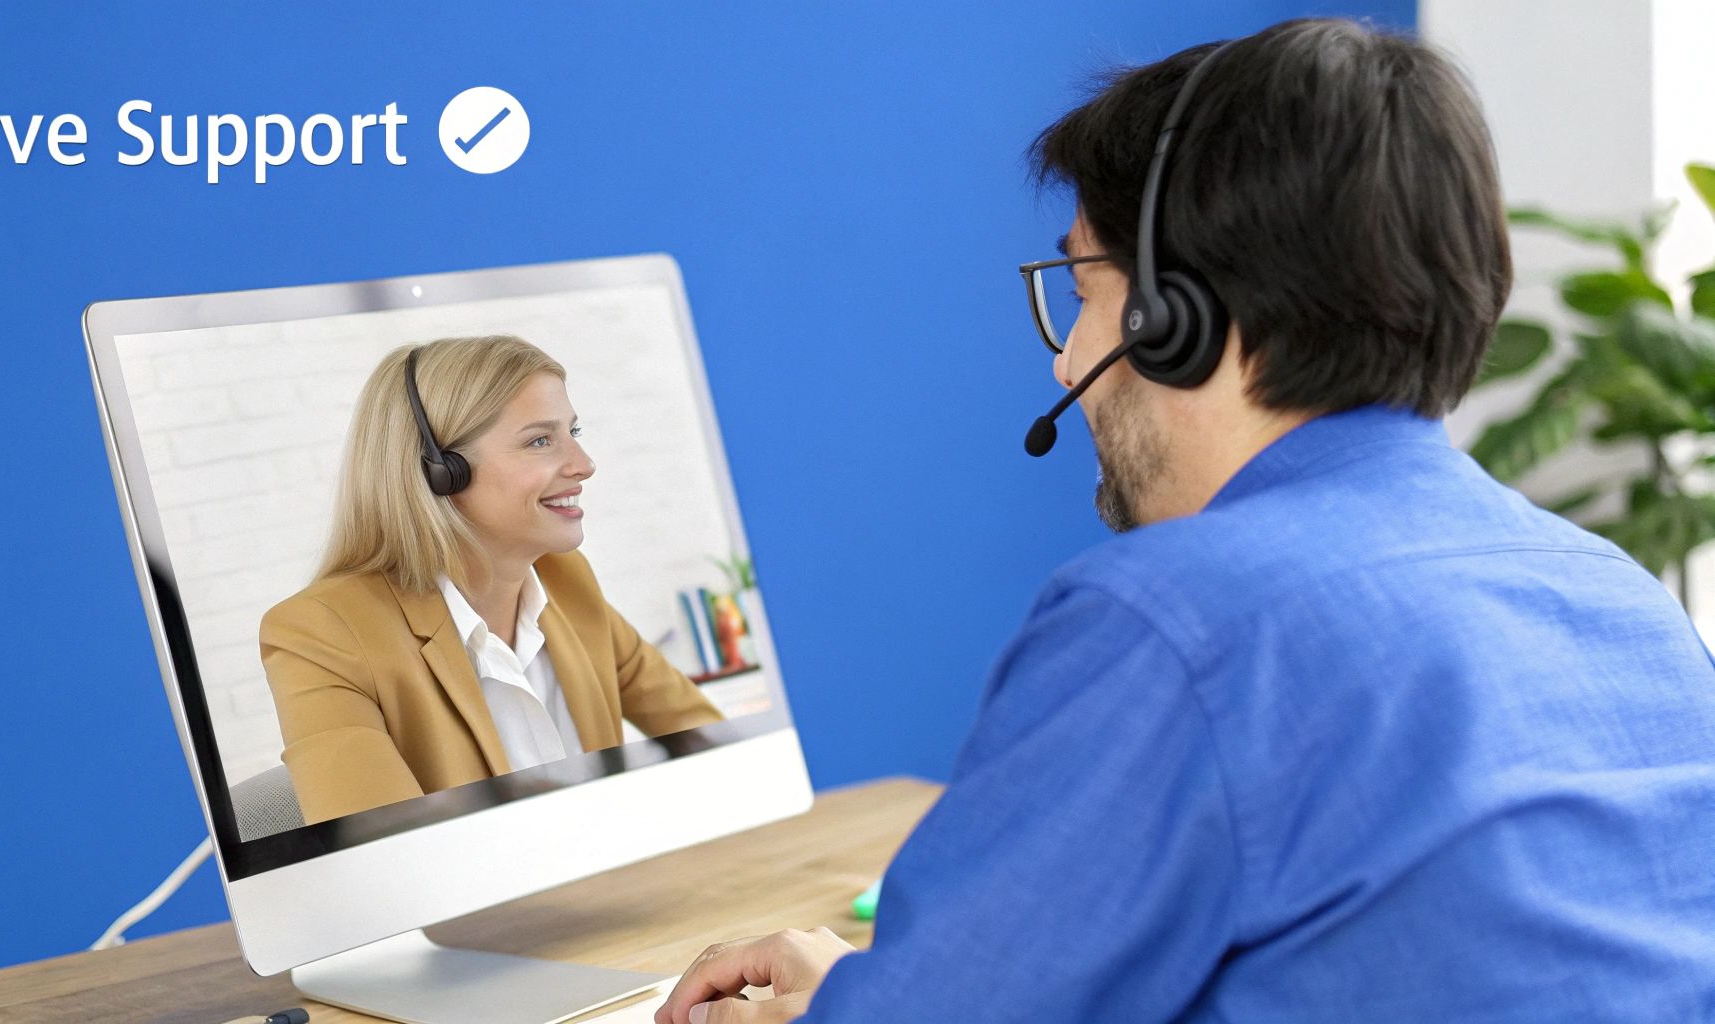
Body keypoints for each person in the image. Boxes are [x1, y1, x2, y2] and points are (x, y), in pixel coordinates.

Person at [657, 17, 1715, 1024]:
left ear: (1175, 320)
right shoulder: (1616, 596)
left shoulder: (1182, 619)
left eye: (1081, 287)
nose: (1067, 360)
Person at [261, 336, 723, 825]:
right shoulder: (322, 633)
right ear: (439, 472)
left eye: (574, 431)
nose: (584, 464)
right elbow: (385, 861)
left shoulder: (565, 583)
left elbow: (713, 745)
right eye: (540, 440)